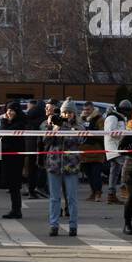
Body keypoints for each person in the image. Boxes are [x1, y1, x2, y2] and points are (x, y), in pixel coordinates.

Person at [44, 100, 82, 237]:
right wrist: (52, 127)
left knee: (72, 198)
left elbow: (79, 140)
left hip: (71, 166)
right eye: (64, 112)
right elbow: (45, 141)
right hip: (54, 165)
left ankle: (73, 226)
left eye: (69, 112)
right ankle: (53, 225)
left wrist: (64, 127)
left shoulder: (78, 126)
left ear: (74, 114)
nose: (67, 115)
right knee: (54, 198)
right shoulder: (54, 123)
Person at [0, 101, 27, 219]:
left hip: (15, 158)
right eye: (7, 110)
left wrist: (4, 121)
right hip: (8, 157)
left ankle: (16, 210)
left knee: (15, 185)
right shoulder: (10, 122)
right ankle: (15, 209)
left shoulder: (20, 123)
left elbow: (6, 133)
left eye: (11, 110)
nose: (9, 113)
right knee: (12, 186)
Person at [104, 100, 130, 205]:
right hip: (115, 148)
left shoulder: (117, 117)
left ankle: (111, 194)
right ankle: (124, 187)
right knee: (127, 167)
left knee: (114, 172)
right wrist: (125, 135)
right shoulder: (113, 117)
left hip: (116, 147)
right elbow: (111, 132)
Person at [79, 101, 106, 201]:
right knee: (89, 174)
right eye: (84, 110)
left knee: (96, 174)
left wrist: (93, 134)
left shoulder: (99, 119)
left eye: (88, 110)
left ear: (93, 109)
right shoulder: (81, 119)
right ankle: (93, 192)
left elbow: (103, 133)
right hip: (84, 152)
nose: (86, 112)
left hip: (96, 151)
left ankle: (98, 193)